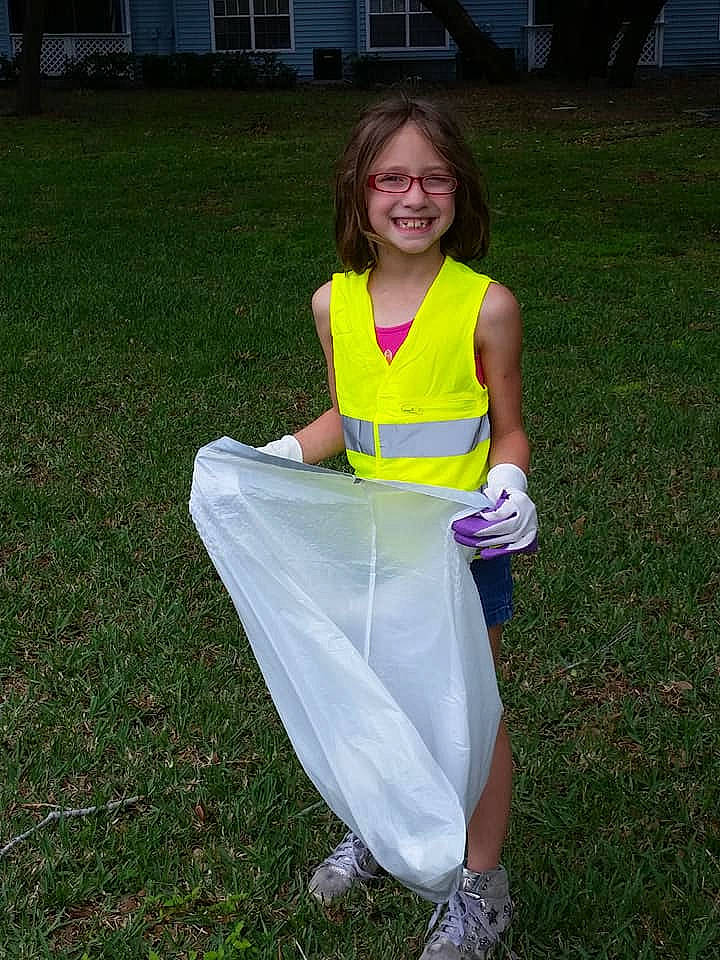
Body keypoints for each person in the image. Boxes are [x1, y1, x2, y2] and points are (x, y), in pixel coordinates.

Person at [257, 97, 537, 960]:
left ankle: (482, 885)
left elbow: (510, 424)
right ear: (360, 193)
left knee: (472, 713)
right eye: (392, 178)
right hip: (371, 550)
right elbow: (351, 416)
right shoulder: (332, 304)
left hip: (459, 553)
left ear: (461, 191)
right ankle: (386, 828)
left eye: (435, 177)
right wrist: (275, 455)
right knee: (378, 703)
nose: (414, 197)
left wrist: (511, 480)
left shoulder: (486, 307)